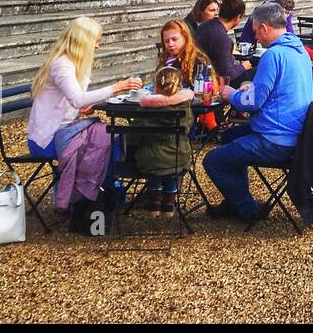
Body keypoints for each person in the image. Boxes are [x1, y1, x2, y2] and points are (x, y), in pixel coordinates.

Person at [204, 1, 313, 221]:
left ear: (264, 28)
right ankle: (235, 201)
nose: (256, 38)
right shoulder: (299, 49)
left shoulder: (273, 55)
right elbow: (277, 90)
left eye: (255, 32)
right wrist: (250, 87)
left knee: (212, 161)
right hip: (298, 134)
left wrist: (230, 94)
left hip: (276, 140)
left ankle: (247, 208)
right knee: (228, 137)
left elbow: (253, 103)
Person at [25, 17, 141, 211]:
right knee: (109, 142)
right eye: (96, 40)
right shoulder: (62, 65)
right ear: (83, 41)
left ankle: (96, 192)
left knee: (111, 136)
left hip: (65, 128)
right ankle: (92, 195)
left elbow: (74, 102)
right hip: (47, 137)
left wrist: (82, 108)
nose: (98, 45)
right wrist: (118, 87)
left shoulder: (73, 63)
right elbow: (77, 98)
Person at [131, 66, 195, 213]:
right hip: (178, 157)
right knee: (172, 173)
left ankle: (154, 201)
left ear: (156, 86)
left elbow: (133, 137)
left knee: (154, 171)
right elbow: (189, 128)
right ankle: (169, 203)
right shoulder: (184, 109)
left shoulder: (145, 110)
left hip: (149, 158)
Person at [194, 0, 251, 85]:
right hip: (210, 82)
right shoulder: (222, 39)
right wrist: (243, 67)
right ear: (237, 17)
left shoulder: (205, 25)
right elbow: (226, 74)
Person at [156, 19, 209, 87]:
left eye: (174, 39)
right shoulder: (165, 61)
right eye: (166, 41)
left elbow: (201, 91)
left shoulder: (199, 62)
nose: (170, 44)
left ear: (185, 38)